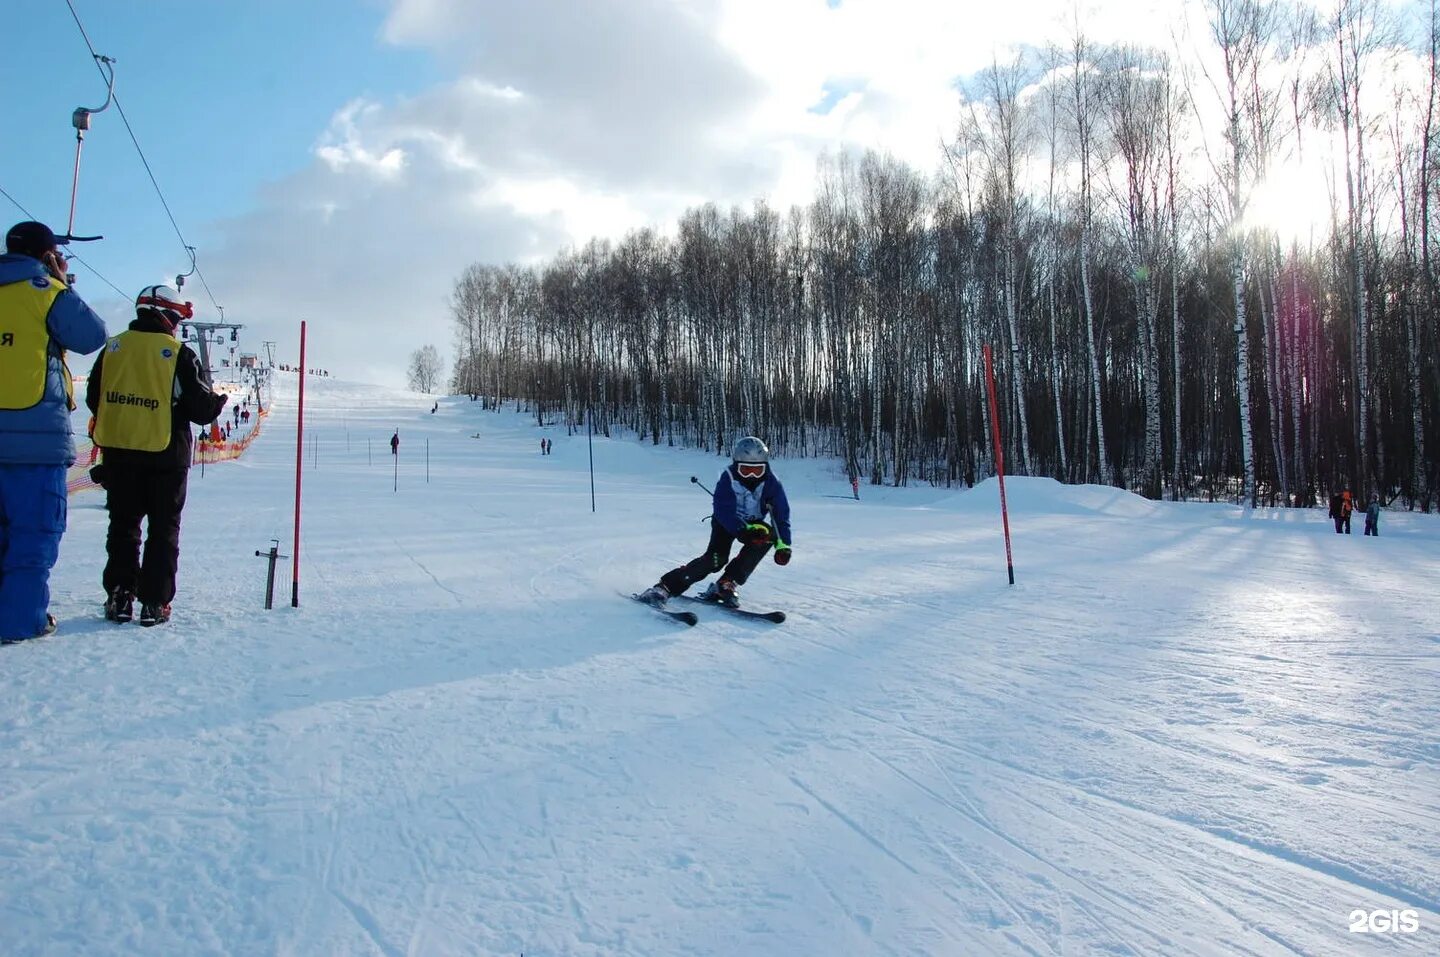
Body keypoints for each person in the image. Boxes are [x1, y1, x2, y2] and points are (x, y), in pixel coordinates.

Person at [86, 284, 227, 626]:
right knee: (163, 530)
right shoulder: (176, 353)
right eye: (177, 320)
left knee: (123, 527)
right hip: (166, 458)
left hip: (120, 454)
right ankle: (154, 601)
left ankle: (120, 595)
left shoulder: (114, 348)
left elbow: (95, 397)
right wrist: (217, 402)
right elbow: (199, 407)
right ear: (168, 316)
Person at [0, 221, 107, 641]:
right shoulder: (45, 292)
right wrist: (60, 283)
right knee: (33, 536)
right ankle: (20, 621)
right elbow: (90, 336)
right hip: (36, 441)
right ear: (48, 255)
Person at [637, 436, 792, 609]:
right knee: (716, 559)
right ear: (736, 465)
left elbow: (781, 516)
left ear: (765, 467)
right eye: (746, 470)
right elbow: (723, 510)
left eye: (757, 471)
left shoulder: (772, 483)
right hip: (726, 524)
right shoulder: (728, 478)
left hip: (754, 525)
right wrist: (741, 529)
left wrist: (784, 546)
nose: (751, 475)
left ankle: (726, 583)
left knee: (767, 536)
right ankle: (665, 587)